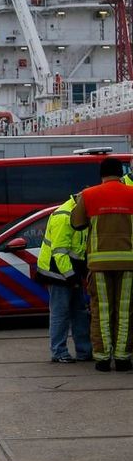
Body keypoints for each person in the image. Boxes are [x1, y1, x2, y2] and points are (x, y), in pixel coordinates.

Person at [70, 157, 133, 371]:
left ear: (101, 174)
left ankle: (103, 358)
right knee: (125, 311)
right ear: (120, 173)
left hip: (98, 265)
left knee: (101, 311)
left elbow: (77, 224)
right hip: (129, 263)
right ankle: (123, 358)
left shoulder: (89, 195)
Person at [36, 193, 92, 363]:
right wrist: (72, 277)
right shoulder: (64, 216)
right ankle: (59, 352)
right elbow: (59, 252)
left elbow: (78, 248)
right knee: (61, 313)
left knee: (79, 312)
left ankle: (84, 351)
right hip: (56, 271)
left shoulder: (79, 214)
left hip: (69, 269)